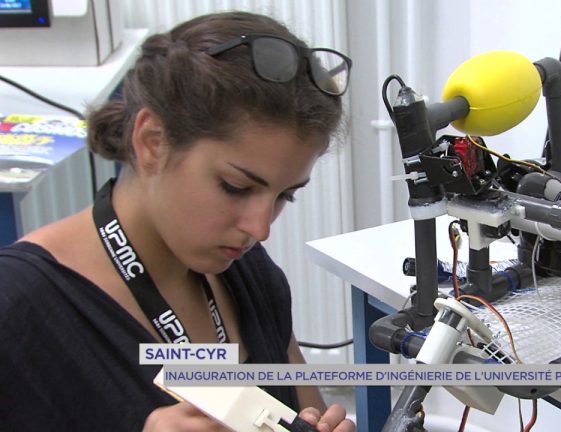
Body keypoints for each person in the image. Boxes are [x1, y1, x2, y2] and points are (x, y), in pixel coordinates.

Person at [0, 11, 354, 432]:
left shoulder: (250, 275)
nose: (260, 229)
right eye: (235, 186)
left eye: (285, 195)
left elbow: (300, 407)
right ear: (152, 142)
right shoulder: (19, 309)